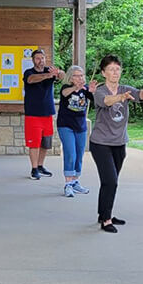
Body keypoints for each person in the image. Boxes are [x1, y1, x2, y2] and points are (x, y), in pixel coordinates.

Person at [86, 55, 143, 232]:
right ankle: (106, 220)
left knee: (110, 181)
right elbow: (106, 101)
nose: (115, 72)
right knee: (110, 181)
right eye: (111, 69)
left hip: (119, 143)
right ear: (104, 73)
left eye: (117, 69)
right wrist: (120, 97)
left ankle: (104, 213)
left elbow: (138, 94)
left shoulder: (126, 89)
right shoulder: (100, 90)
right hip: (101, 143)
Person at [23, 47, 64, 180]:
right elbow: (31, 79)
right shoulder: (29, 72)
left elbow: (62, 77)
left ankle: (40, 166)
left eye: (42, 58)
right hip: (33, 114)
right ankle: (34, 169)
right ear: (33, 60)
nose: (40, 61)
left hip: (47, 113)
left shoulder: (49, 70)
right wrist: (48, 75)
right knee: (34, 143)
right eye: (38, 58)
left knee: (45, 143)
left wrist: (58, 73)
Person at [57, 65, 96, 197]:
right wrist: (76, 88)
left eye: (81, 75)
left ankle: (75, 181)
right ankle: (68, 184)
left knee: (79, 155)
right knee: (70, 153)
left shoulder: (85, 90)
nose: (80, 78)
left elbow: (96, 102)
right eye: (77, 76)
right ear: (70, 77)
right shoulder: (66, 88)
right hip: (65, 125)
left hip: (81, 126)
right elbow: (64, 94)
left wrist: (92, 91)